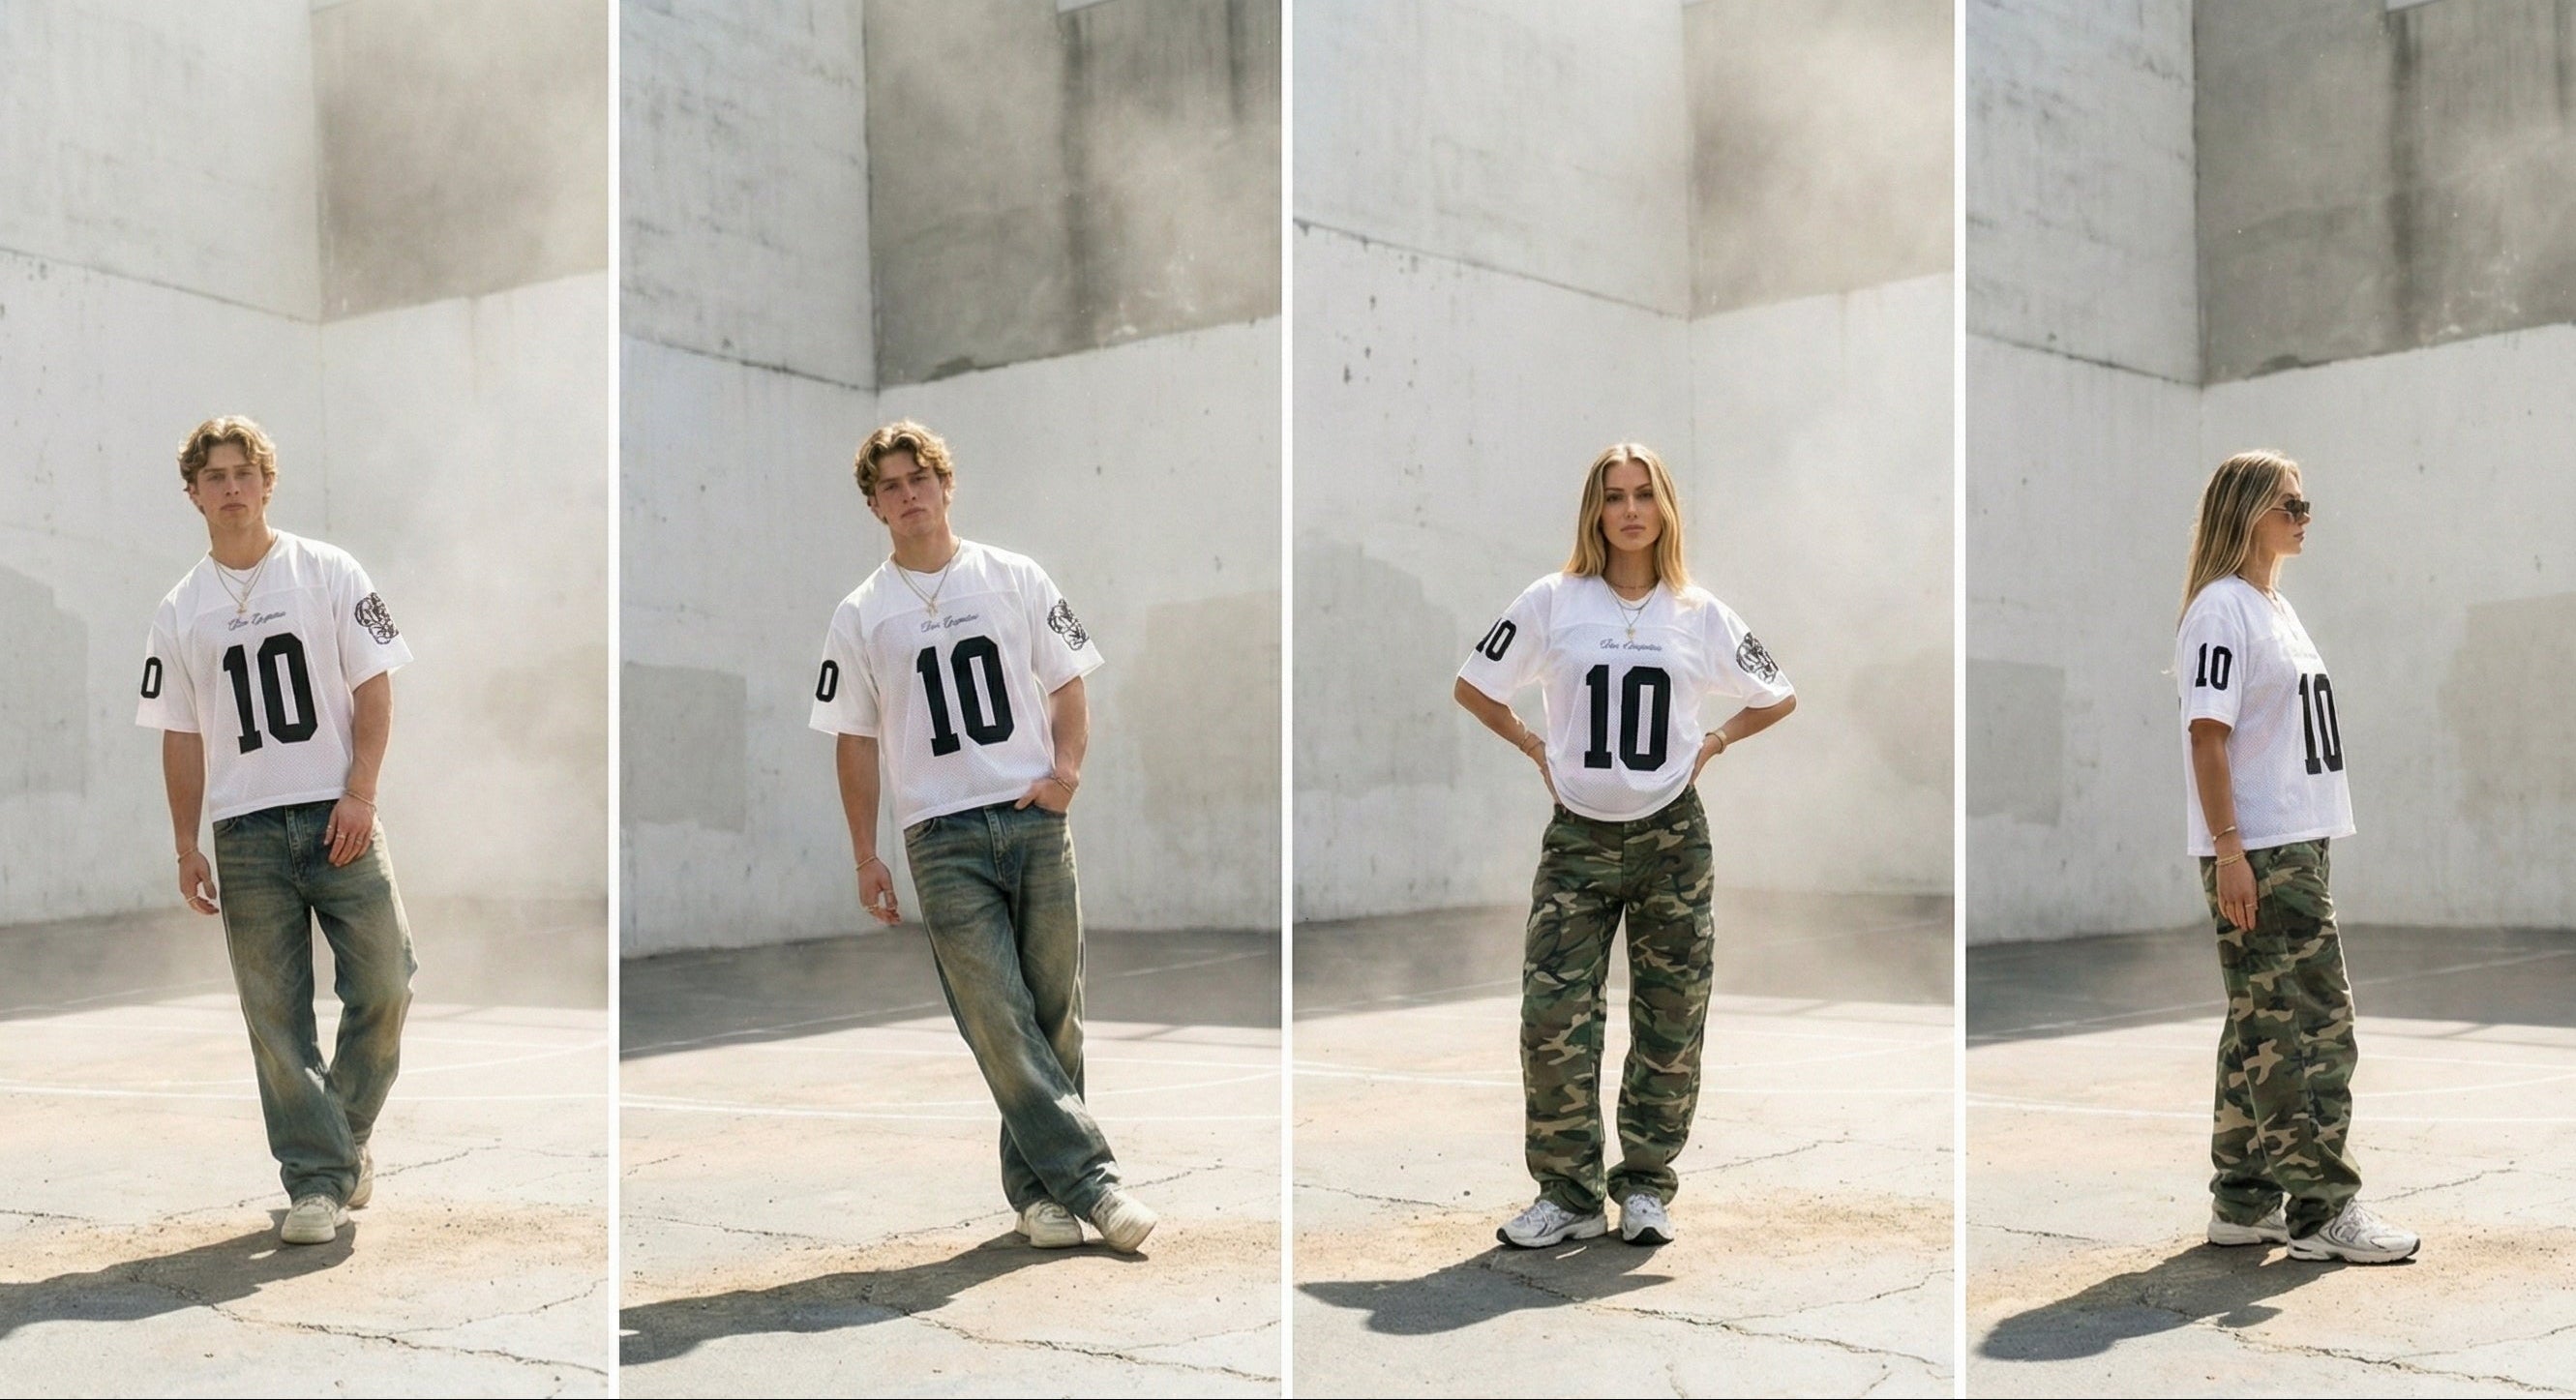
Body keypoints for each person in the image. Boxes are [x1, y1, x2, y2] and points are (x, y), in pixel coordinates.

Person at [809, 420, 1156, 1253]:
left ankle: (1038, 1196)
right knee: (997, 1017)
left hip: (1034, 820)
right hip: (940, 837)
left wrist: (1065, 774)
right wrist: (867, 853)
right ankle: (1098, 1186)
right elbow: (853, 741)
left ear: (944, 484)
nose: (908, 494)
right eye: (889, 485)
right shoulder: (860, 614)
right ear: (874, 505)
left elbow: (1070, 677)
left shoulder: (1017, 576)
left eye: (918, 477)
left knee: (1055, 1016)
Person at [1453, 441, 1797, 1248]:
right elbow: (1474, 685)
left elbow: (1777, 693)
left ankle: (1644, 1186)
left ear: (1665, 507)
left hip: (1671, 838)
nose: (1631, 509)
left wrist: (1713, 742)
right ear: (1595, 510)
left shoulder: (1698, 611)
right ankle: (1568, 1193)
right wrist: (1535, 746)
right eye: (1615, 495)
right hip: (1577, 837)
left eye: (1645, 494)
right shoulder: (1552, 600)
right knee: (1552, 1016)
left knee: (1670, 1019)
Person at [135, 415, 416, 1247]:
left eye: (243, 473)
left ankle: (340, 1140)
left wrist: (360, 791)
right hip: (245, 833)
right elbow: (180, 735)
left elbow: (373, 684)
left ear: (267, 482)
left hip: (340, 814)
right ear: (193, 493)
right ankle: (318, 1182)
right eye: (213, 476)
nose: (230, 488)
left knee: (388, 981)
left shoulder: (329, 570)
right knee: (275, 1019)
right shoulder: (179, 609)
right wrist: (186, 844)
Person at [2176, 450, 2416, 1264]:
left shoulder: (2273, 605)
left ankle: (2244, 1200)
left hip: (2295, 847)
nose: (2306, 515)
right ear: (2249, 511)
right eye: (2292, 503)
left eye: (2307, 503)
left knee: (2260, 1024)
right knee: (2314, 1026)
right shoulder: (2221, 611)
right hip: (2263, 851)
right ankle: (2323, 1211)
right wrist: (2231, 849)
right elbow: (2208, 739)